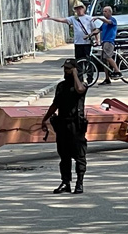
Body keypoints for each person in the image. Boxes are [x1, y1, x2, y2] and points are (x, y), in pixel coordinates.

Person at [41, 59, 88, 194]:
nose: (65, 71)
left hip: (76, 125)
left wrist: (75, 75)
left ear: (75, 70)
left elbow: (79, 90)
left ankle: (79, 182)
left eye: (68, 69)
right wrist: (44, 119)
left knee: (79, 155)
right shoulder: (61, 86)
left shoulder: (82, 84)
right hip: (62, 124)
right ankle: (65, 182)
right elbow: (55, 104)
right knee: (64, 155)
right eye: (65, 69)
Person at [88, 6, 121, 85]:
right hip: (104, 42)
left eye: (105, 11)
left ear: (110, 12)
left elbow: (108, 22)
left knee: (108, 57)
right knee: (104, 61)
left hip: (109, 42)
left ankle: (117, 71)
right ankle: (107, 78)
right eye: (103, 11)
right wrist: (90, 35)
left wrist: (98, 18)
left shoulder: (112, 20)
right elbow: (98, 30)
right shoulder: (104, 24)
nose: (104, 13)